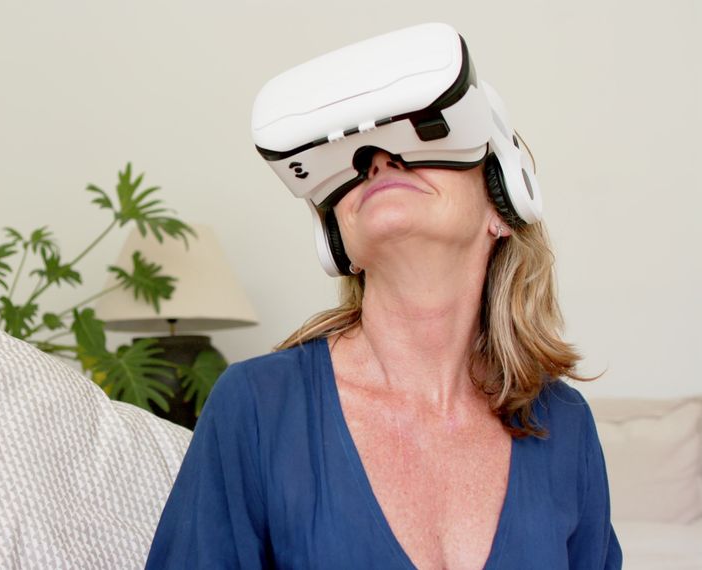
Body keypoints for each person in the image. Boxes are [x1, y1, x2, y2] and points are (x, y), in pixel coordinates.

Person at [144, 27, 622, 568]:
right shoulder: (255, 408)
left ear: (505, 202)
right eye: (355, 162)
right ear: (336, 238)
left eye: (423, 140)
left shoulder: (564, 424)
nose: (378, 159)